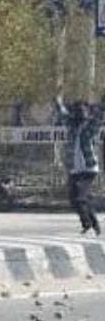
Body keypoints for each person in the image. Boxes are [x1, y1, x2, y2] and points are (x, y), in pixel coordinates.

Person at [56, 98, 102, 236]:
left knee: (80, 197)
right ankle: (94, 224)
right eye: (78, 110)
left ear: (87, 112)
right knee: (75, 197)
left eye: (83, 110)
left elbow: (99, 118)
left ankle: (87, 225)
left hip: (88, 168)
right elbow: (63, 114)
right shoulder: (72, 125)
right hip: (75, 169)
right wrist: (58, 102)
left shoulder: (90, 126)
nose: (81, 112)